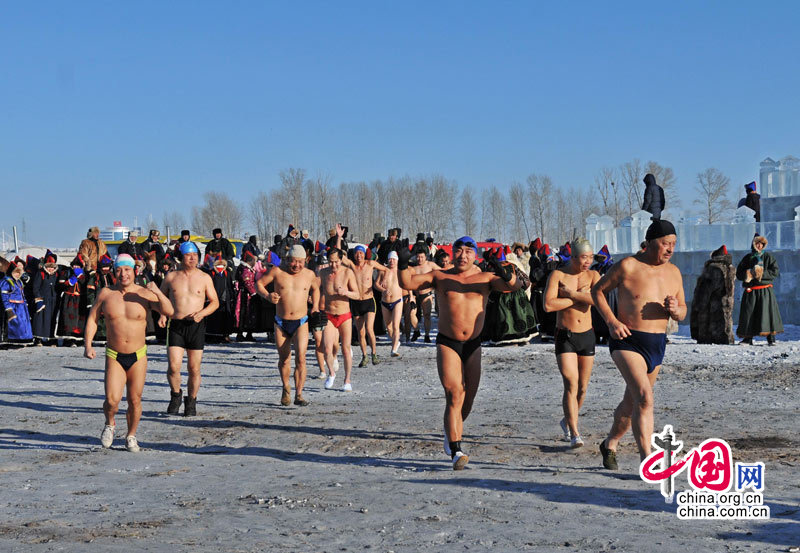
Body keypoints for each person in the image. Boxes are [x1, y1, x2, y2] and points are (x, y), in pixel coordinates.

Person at [399, 236, 521, 470]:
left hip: (474, 344)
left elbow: (514, 287)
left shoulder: (485, 277)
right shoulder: (440, 275)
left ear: (475, 254)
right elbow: (407, 283)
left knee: (468, 398)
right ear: (451, 253)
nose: (462, 255)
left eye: (468, 251)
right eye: (458, 250)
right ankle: (456, 449)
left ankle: (450, 431)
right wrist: (403, 263)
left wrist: (503, 270)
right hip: (448, 342)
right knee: (454, 393)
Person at [591, 220, 686, 470]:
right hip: (627, 340)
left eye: (673, 244)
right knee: (645, 397)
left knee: (633, 402)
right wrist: (611, 321)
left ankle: (610, 442)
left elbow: (684, 311)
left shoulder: (674, 272)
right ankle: (649, 461)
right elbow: (597, 291)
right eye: (665, 243)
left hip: (656, 343)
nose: (670, 249)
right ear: (651, 242)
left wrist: (676, 310)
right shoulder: (628, 266)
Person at [84, 254, 174, 452]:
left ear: (134, 271)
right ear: (114, 272)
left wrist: (157, 291)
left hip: (138, 355)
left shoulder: (144, 293)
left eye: (127, 270)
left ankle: (131, 435)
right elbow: (92, 319)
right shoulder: (106, 294)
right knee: (111, 400)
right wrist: (88, 345)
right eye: (119, 270)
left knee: (135, 399)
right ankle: (110, 423)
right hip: (114, 354)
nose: (123, 274)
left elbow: (169, 311)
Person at [544, 238, 600, 448]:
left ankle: (568, 419)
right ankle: (575, 433)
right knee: (571, 383)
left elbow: (597, 300)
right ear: (573, 257)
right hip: (565, 336)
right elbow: (549, 305)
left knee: (583, 388)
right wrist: (577, 298)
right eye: (584, 257)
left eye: (591, 257)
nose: (588, 261)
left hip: (587, 335)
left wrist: (572, 294)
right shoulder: (558, 275)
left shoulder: (594, 275)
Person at [159, 241, 220, 416]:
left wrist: (202, 313)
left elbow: (215, 302)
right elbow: (161, 299)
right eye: (188, 255)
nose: (192, 258)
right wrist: (163, 314)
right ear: (181, 257)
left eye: (195, 255)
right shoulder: (171, 277)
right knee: (173, 366)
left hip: (196, 325)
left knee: (194, 368)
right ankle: (176, 395)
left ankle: (191, 401)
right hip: (176, 324)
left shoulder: (204, 277)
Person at [257, 244, 322, 406]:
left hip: (301, 321)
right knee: (284, 359)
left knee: (301, 358)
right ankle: (286, 387)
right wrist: (268, 296)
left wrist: (314, 306)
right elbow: (259, 284)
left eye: (300, 262)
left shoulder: (309, 274)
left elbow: (316, 289)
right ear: (287, 260)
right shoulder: (277, 272)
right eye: (294, 262)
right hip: (281, 322)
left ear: (305, 261)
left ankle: (299, 394)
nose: (297, 266)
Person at [318, 248, 360, 391]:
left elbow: (357, 294)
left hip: (344, 315)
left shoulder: (348, 273)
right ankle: (331, 373)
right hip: (329, 314)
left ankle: (347, 380)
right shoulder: (323, 273)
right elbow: (316, 288)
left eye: (336, 262)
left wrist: (346, 292)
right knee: (327, 348)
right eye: (331, 262)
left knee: (346, 349)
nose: (333, 265)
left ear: (341, 260)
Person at [736, 235, 782, 345]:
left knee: (767, 313)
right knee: (749, 314)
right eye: (757, 243)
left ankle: (771, 338)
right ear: (753, 244)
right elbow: (739, 273)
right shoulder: (747, 258)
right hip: (750, 290)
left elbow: (774, 272)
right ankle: (747, 338)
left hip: (765, 290)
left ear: (764, 245)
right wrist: (748, 274)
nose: (759, 245)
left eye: (761, 243)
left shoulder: (768, 257)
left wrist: (761, 273)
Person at [348, 244, 388, 367]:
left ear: (364, 254)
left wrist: (383, 280)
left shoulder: (370, 264)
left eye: (361, 253)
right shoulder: (351, 266)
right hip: (356, 302)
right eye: (357, 253)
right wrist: (339, 238)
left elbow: (385, 269)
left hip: (369, 301)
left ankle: (374, 354)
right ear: (354, 255)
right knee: (360, 332)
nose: (359, 255)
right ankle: (364, 355)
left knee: (370, 329)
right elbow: (341, 256)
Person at [375, 251, 404, 357]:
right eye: (390, 259)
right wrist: (383, 290)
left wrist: (411, 296)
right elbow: (376, 284)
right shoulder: (383, 271)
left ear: (397, 260)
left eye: (394, 259)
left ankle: (394, 349)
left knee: (396, 325)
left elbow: (407, 283)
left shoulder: (400, 271)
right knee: (389, 327)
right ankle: (396, 341)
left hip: (397, 301)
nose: (392, 261)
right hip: (385, 302)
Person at [1, 257, 34, 344]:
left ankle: (21, 340)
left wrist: (25, 304)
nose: (17, 274)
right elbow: (4, 296)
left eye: (19, 273)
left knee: (22, 325)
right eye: (16, 272)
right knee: (14, 325)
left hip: (21, 307)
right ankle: (11, 340)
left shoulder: (19, 282)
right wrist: (8, 309)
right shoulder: (6, 281)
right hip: (13, 306)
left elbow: (22, 294)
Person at [410, 248, 439, 343]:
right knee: (412, 314)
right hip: (415, 294)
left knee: (427, 315)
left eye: (422, 257)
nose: (420, 259)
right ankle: (416, 330)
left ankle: (427, 335)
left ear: (425, 257)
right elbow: (408, 282)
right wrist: (411, 295)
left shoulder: (431, 265)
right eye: (418, 257)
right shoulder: (413, 269)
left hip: (427, 294)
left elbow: (442, 273)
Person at [32, 250, 59, 346]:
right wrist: (39, 299)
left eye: (52, 267)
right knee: (40, 320)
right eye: (49, 267)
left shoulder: (57, 275)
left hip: (53, 300)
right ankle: (38, 339)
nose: (50, 269)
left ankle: (52, 339)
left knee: (52, 320)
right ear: (45, 266)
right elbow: (36, 288)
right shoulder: (41, 274)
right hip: (43, 300)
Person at [235, 251, 260, 342]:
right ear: (250, 261)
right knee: (244, 313)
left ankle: (248, 333)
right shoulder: (245, 270)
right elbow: (247, 282)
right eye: (254, 261)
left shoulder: (247, 269)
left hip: (248, 295)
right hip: (245, 296)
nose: (255, 263)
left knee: (250, 314)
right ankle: (240, 333)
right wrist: (254, 292)